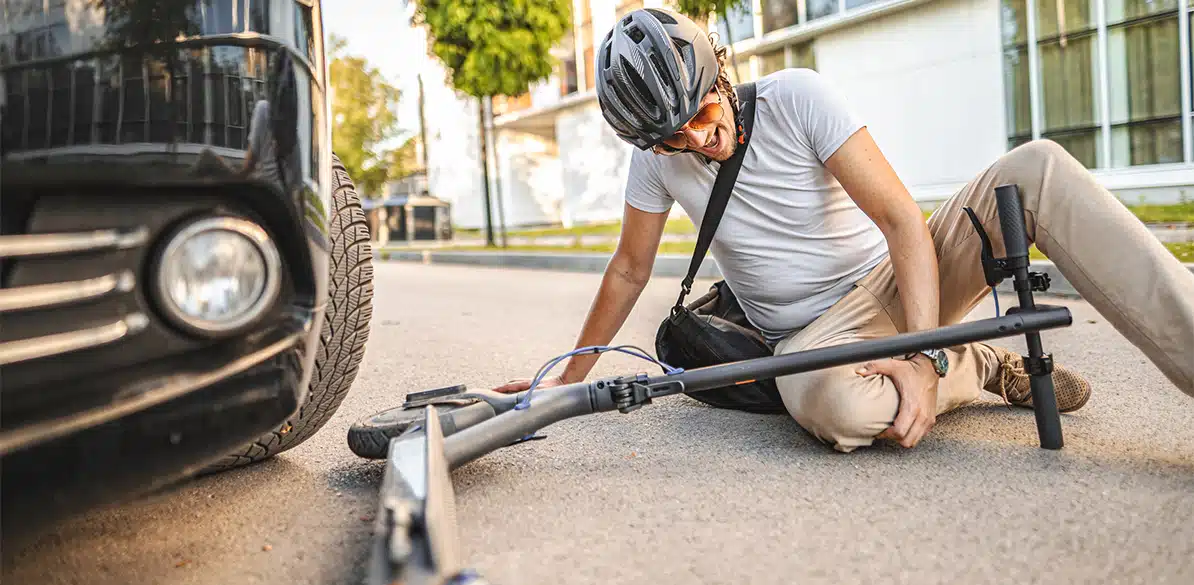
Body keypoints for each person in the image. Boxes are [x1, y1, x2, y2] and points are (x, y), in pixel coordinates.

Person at [496, 8, 1194, 453]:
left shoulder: (798, 97)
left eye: (701, 113)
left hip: (900, 276)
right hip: (814, 339)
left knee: (1037, 167)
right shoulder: (656, 164)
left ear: (717, 72)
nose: (698, 138)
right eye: (674, 136)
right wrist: (560, 383)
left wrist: (921, 355)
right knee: (836, 410)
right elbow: (628, 270)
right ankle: (979, 363)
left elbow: (900, 220)